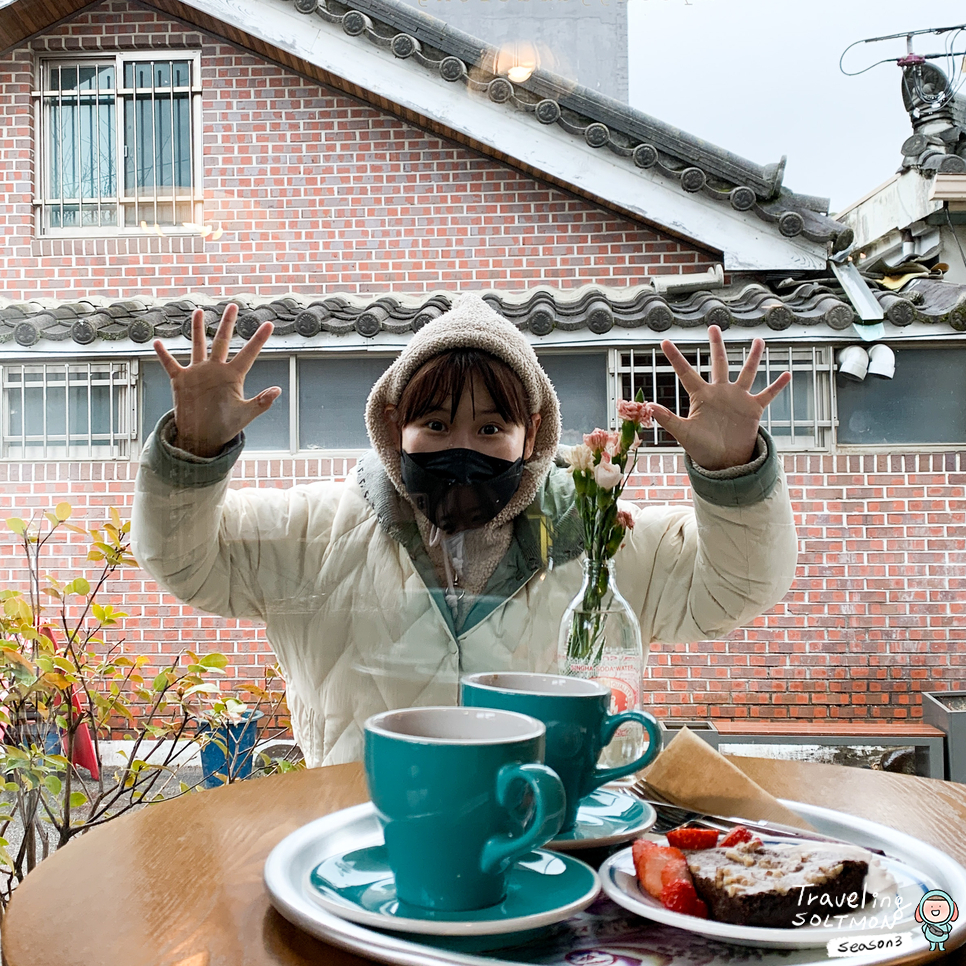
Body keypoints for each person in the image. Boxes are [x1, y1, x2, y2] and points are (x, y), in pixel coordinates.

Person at [131, 293, 798, 767]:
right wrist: (192, 453)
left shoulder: (603, 537)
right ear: (394, 425)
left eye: (490, 429)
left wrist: (730, 467)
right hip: (358, 845)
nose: (462, 447)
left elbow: (735, 586)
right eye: (437, 425)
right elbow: (191, 563)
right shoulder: (317, 530)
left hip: (551, 842)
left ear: (531, 431)